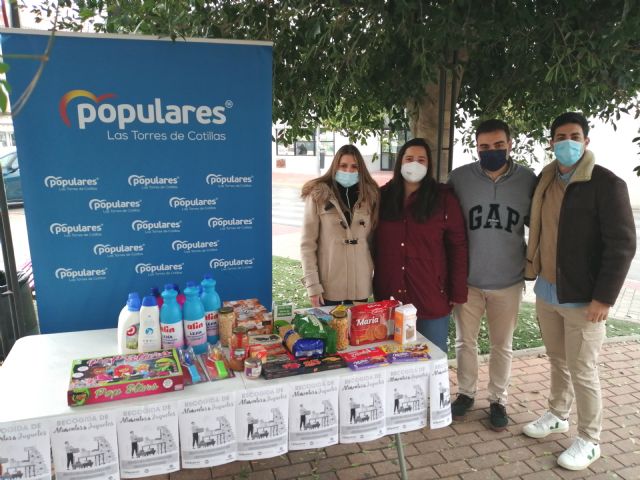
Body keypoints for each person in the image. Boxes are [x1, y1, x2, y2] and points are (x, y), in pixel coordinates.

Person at [522, 112, 636, 471]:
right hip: (548, 291)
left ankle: (590, 439)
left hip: (585, 297)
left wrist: (604, 297)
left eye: (574, 136)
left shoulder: (606, 184)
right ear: (551, 142)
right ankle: (557, 413)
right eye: (559, 136)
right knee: (557, 360)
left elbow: (622, 244)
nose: (566, 142)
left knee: (583, 368)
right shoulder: (545, 179)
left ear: (586, 141)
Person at [448, 119, 537, 431]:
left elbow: (539, 227)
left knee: (503, 345)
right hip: (469, 281)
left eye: (499, 145)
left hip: (508, 281)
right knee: (464, 342)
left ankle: (498, 399)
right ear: (476, 148)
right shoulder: (459, 179)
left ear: (510, 144)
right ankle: (466, 393)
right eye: (484, 147)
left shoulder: (528, 179)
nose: (492, 151)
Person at [373, 138, 468, 353]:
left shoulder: (444, 199)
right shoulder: (382, 197)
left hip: (431, 297)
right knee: (392, 358)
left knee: (431, 358)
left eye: (421, 159)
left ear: (429, 165)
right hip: (389, 297)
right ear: (400, 162)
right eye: (409, 158)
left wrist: (457, 291)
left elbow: (458, 247)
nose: (414, 164)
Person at [301, 144, 380, 306]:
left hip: (360, 285)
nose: (349, 171)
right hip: (329, 285)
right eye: (343, 165)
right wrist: (312, 286)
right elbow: (307, 245)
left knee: (358, 331)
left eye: (354, 166)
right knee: (333, 330)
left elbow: (374, 242)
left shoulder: (371, 196)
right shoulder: (319, 195)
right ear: (335, 166)